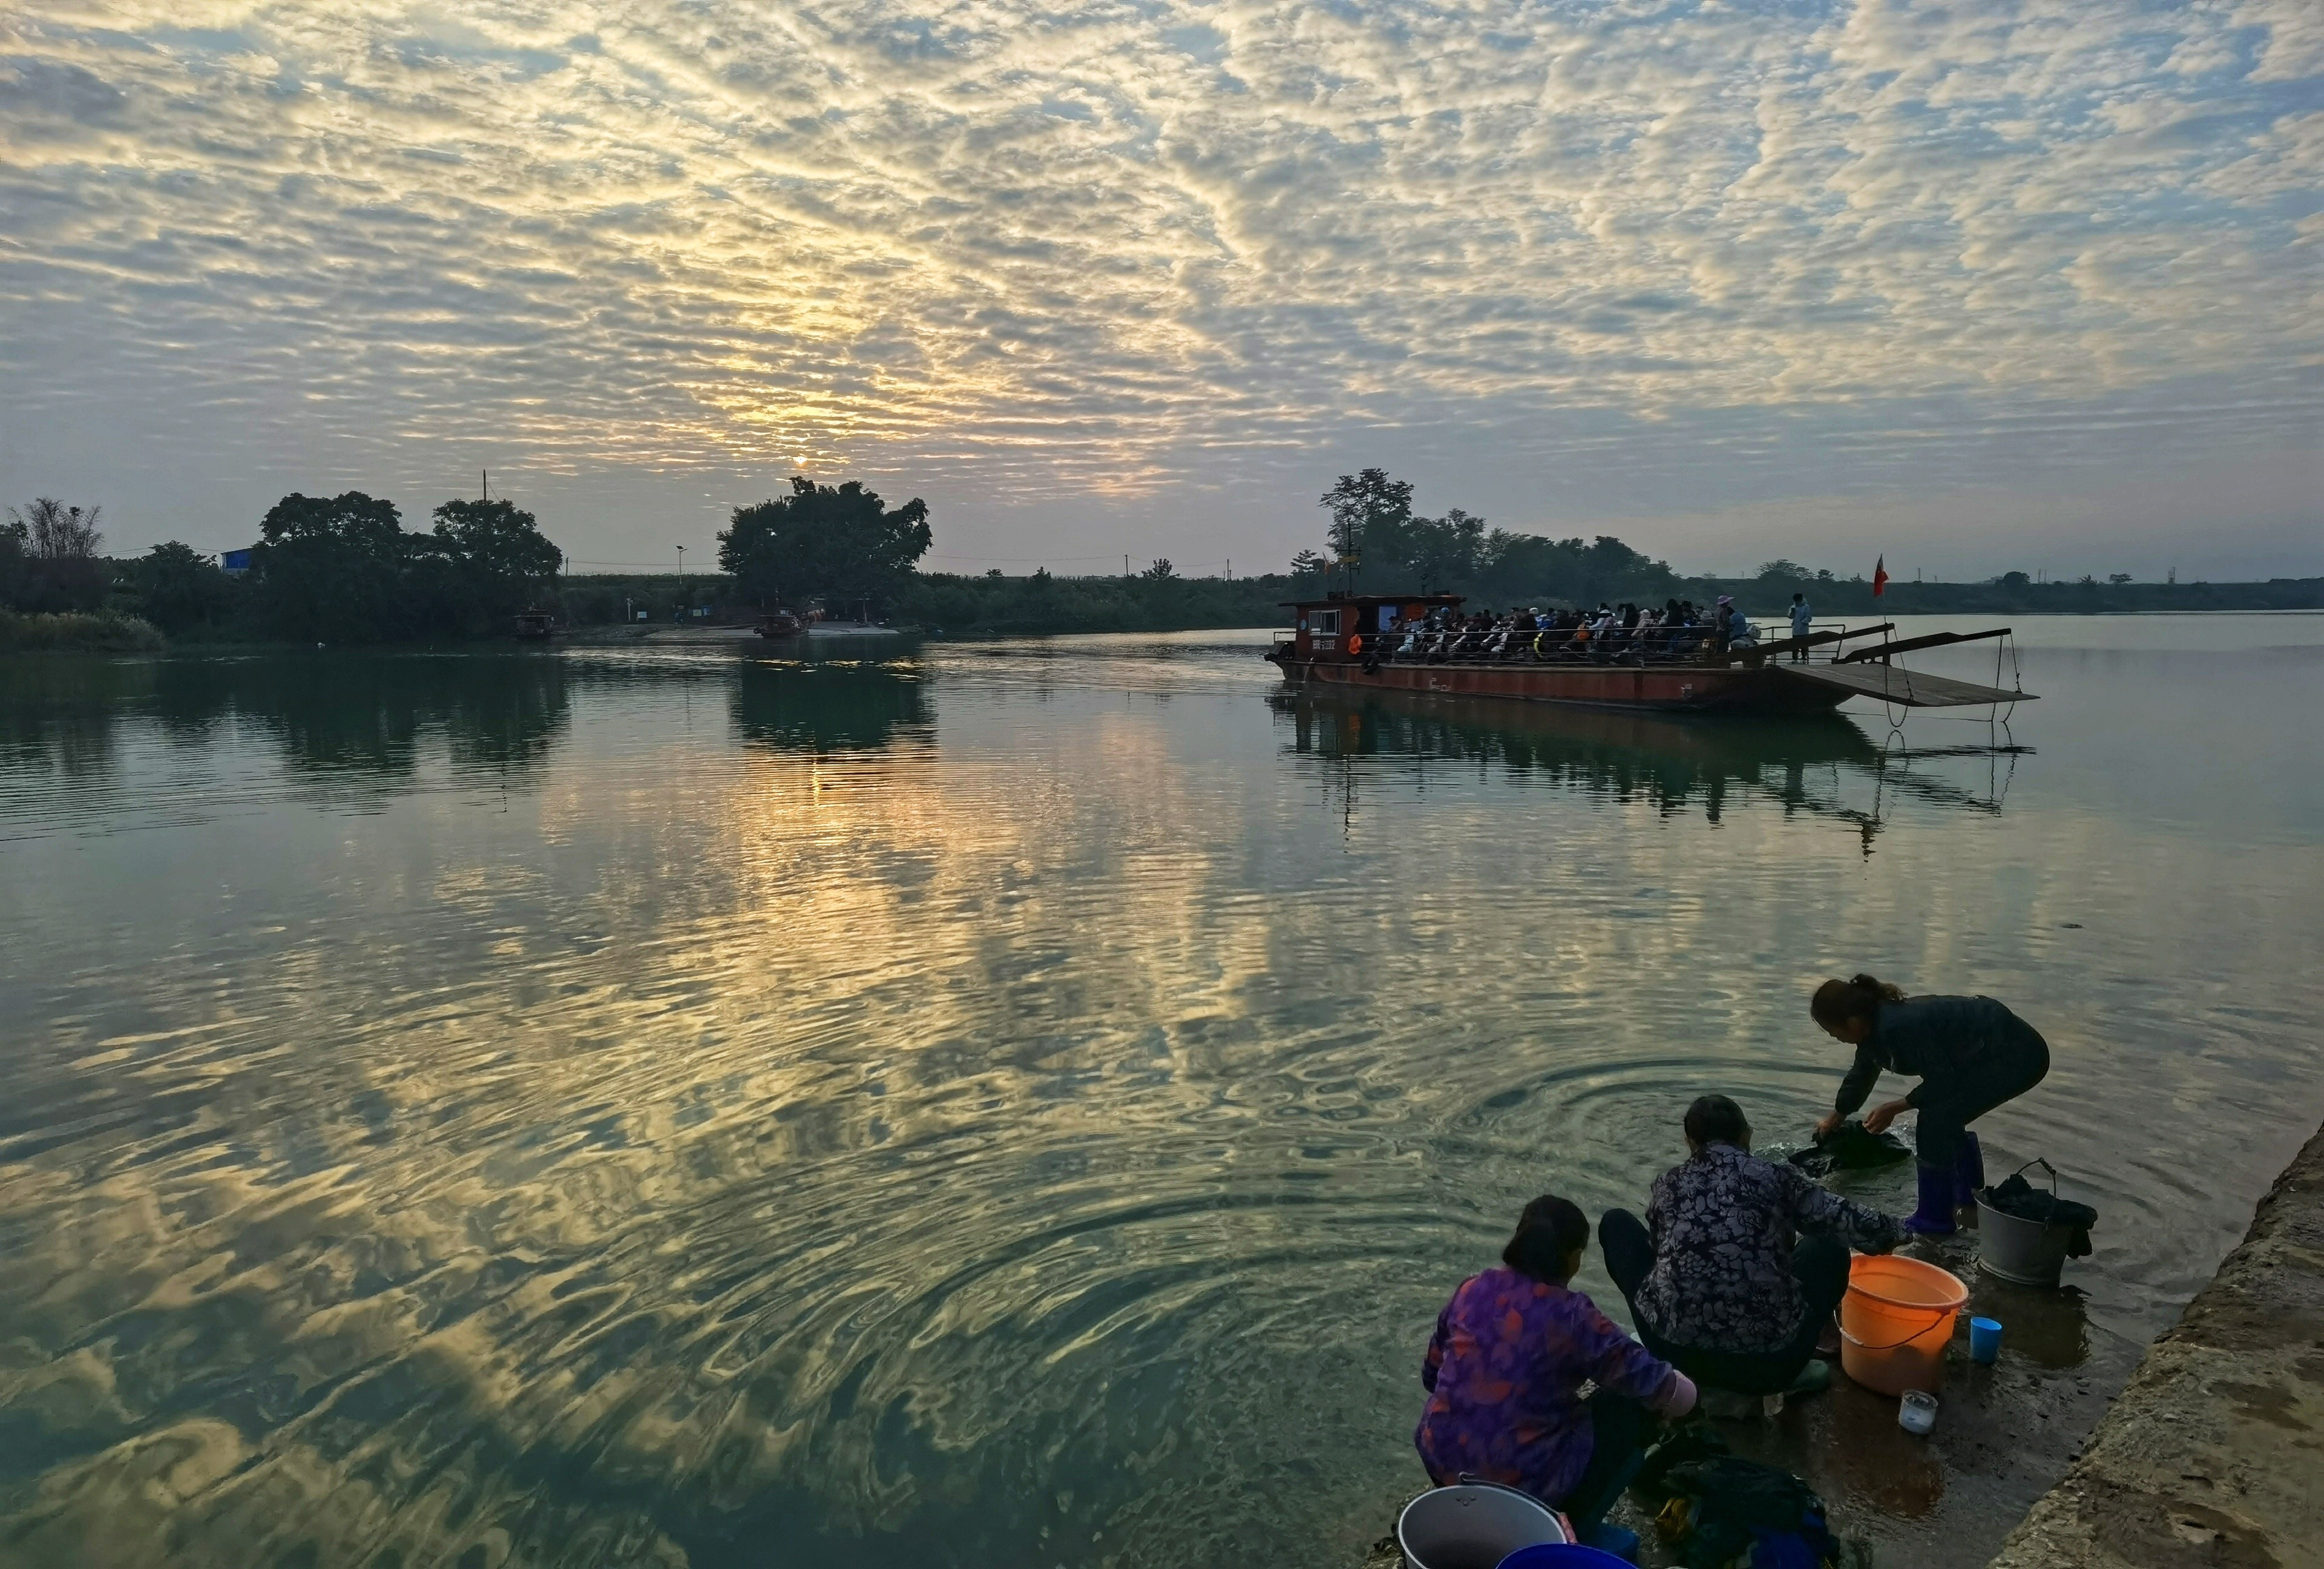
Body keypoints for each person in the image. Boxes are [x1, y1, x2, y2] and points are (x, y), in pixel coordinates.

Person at [1417, 1194, 1697, 1543]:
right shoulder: (1574, 1316)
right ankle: (1569, 1527)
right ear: (1571, 1256)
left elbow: (1433, 1376)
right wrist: (1692, 1394)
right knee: (1628, 1409)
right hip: (1518, 1486)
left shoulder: (1472, 1290)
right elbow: (1665, 1389)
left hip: (1441, 1462)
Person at [1602, 1096, 1900, 1396]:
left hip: (1673, 1352)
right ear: (1747, 1136)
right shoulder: (1777, 1177)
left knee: (1616, 1223)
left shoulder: (1667, 1185)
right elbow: (1849, 1220)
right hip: (1769, 1366)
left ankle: (1684, 1374)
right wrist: (1899, 1232)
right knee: (1829, 1245)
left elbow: (1659, 1254)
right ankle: (1797, 1364)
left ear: (1689, 1141)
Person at [1811, 973, 2053, 1235]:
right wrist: (1838, 1115)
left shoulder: (1898, 1027)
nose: (1833, 1036)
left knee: (1935, 1122)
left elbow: (1945, 1080)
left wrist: (1898, 1106)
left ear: (1853, 1020)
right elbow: (1861, 1075)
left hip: (2016, 1054)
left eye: (1832, 1030)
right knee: (1944, 1118)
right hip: (1983, 1056)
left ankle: (1934, 1219)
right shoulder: (1873, 1031)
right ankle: (1968, 1203)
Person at [1787, 592, 1813, 661]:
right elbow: (1790, 617)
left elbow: (1809, 617)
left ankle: (1805, 657)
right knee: (1795, 645)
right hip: (1796, 629)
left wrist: (1803, 621)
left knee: (1804, 645)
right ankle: (1795, 658)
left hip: (1804, 629)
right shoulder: (1793, 607)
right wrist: (1792, 613)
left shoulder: (1806, 607)